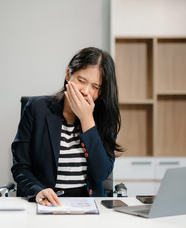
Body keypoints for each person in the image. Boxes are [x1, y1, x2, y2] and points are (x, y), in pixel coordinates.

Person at [11, 47, 123, 206]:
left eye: (95, 87)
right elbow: (20, 167)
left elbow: (101, 174)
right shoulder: (37, 109)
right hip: (47, 204)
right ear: (68, 75)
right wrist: (36, 190)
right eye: (81, 81)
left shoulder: (104, 118)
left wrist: (87, 120)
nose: (86, 91)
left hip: (89, 206)